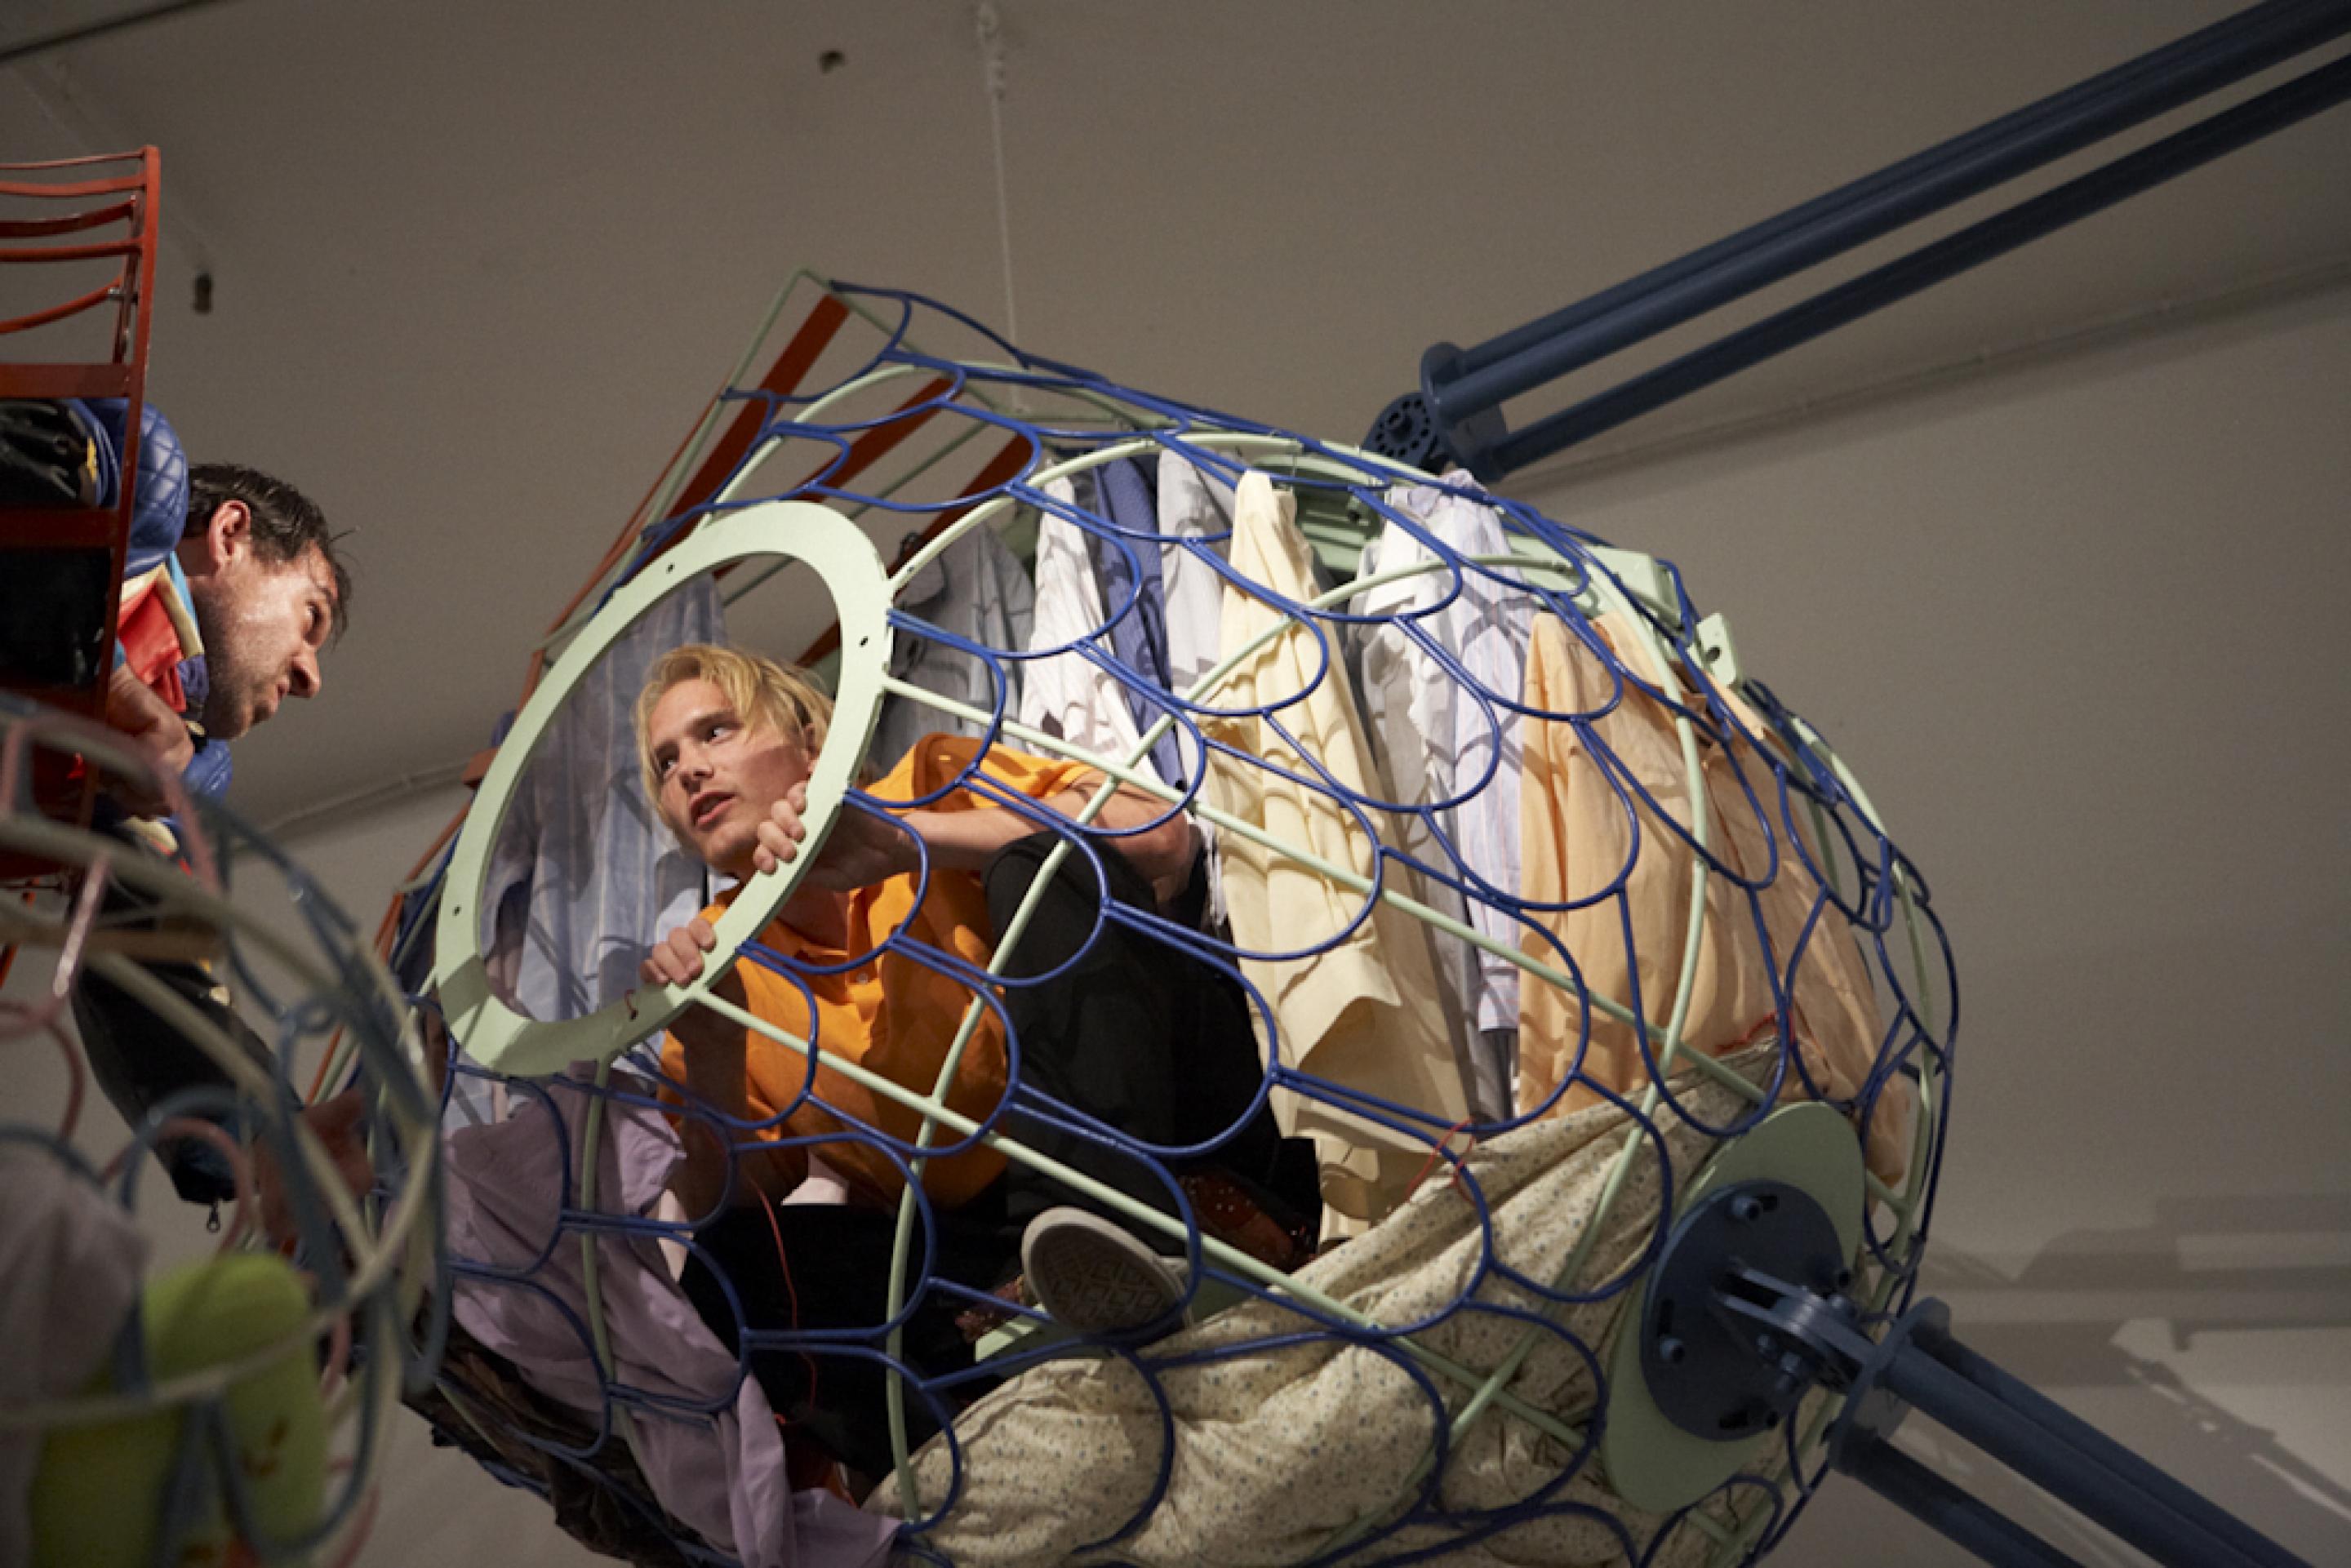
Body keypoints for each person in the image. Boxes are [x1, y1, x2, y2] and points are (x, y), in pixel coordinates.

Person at [634, 643, 1318, 1479]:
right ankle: (960, 1437)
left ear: (810, 738)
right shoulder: (721, 961)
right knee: (727, 1264)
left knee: (1044, 857)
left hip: (1171, 1132)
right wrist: (714, 1050)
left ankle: (1122, 1240)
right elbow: (750, 1200)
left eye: (715, 731)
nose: (689, 771)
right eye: (666, 764)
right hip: (994, 1252)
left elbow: (1163, 836)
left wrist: (910, 842)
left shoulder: (925, 780)